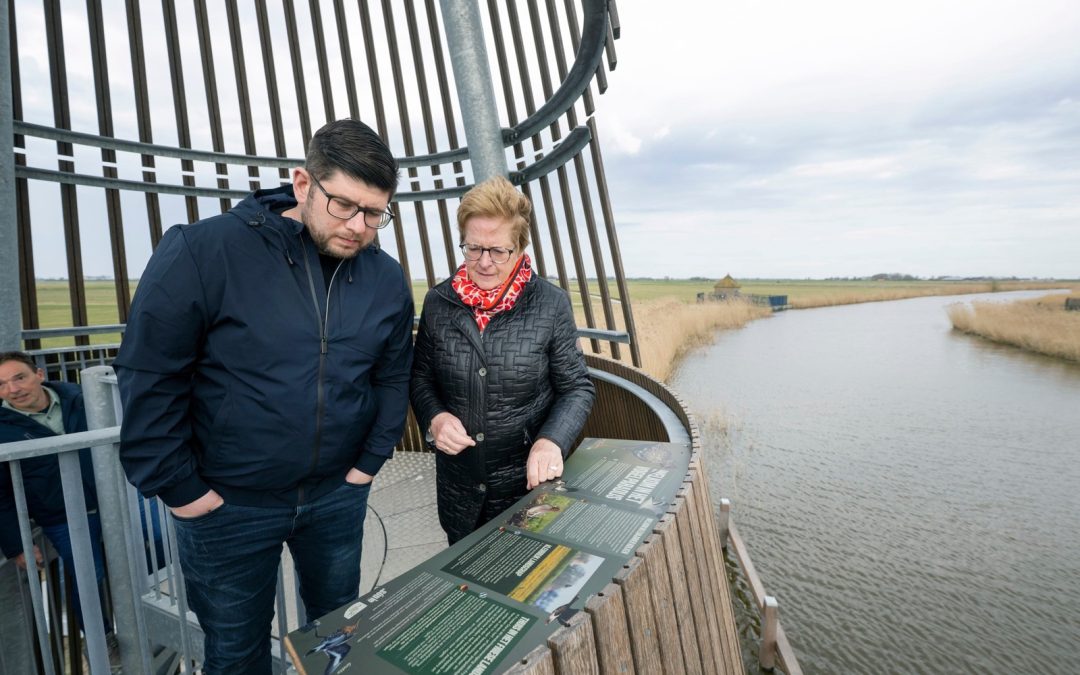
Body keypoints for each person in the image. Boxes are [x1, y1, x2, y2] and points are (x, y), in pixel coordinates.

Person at [114, 118, 414, 674]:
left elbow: (392, 375)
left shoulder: (386, 278)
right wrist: (183, 491)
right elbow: (149, 375)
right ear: (303, 184)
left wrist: (367, 464)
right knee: (235, 651)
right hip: (227, 505)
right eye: (344, 206)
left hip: (336, 498)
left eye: (376, 214)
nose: (359, 226)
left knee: (337, 636)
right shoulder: (204, 250)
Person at [410, 176, 595, 545]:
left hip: (527, 490)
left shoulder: (550, 304)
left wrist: (551, 441)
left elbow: (577, 388)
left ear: (520, 248)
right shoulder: (438, 303)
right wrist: (436, 417)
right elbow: (420, 378)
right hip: (459, 493)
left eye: (498, 251)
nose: (484, 263)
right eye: (473, 248)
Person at [0, 351, 119, 665]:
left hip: (115, 499)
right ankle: (102, 639)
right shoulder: (1, 428)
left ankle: (143, 608)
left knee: (161, 539)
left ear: (39, 374)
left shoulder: (81, 397)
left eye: (19, 377)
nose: (12, 390)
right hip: (63, 515)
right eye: (1, 385)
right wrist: (17, 545)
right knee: (87, 574)